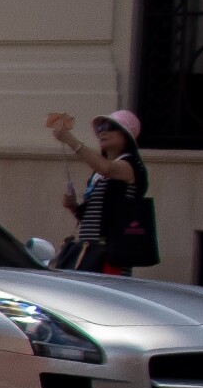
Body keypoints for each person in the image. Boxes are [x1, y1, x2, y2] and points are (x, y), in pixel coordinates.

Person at [47, 109, 148, 274]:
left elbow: (106, 168)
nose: (103, 131)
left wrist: (71, 141)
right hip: (89, 253)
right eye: (100, 128)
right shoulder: (98, 175)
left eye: (110, 127)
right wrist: (73, 206)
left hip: (110, 255)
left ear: (126, 136)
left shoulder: (131, 166)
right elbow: (92, 216)